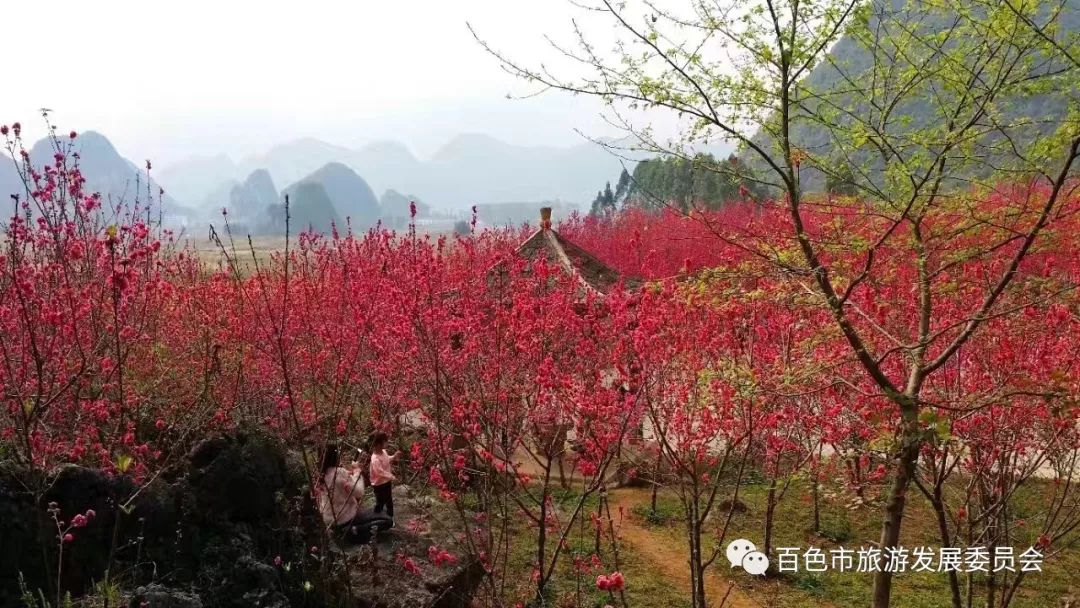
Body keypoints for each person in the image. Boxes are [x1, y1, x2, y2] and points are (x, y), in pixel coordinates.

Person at [317, 443, 392, 543]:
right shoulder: (339, 472)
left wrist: (349, 476)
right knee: (387, 519)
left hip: (330, 519)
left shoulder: (320, 475)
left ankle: (345, 530)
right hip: (345, 518)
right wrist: (357, 472)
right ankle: (354, 531)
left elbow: (340, 485)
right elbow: (359, 492)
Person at [368, 432, 399, 521]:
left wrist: (394, 456)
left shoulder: (384, 452)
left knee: (389, 500)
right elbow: (379, 472)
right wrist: (392, 476)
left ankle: (390, 517)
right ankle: (377, 517)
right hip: (379, 484)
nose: (387, 443)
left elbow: (387, 459)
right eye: (385, 441)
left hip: (386, 482)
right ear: (378, 444)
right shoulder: (375, 459)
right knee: (380, 502)